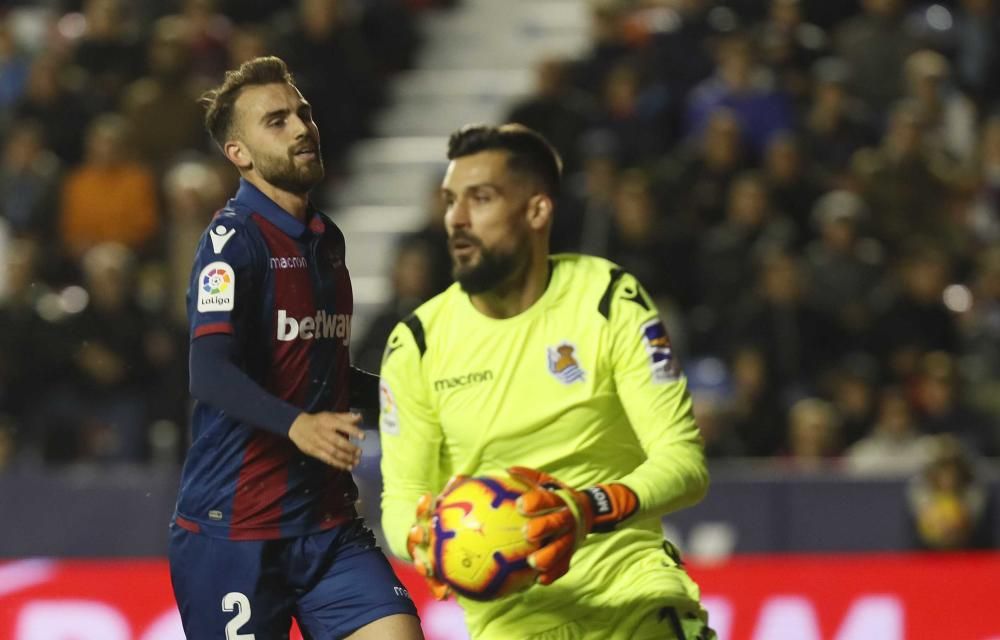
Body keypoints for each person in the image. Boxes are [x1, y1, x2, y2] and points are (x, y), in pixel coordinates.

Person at [379, 124, 714, 639]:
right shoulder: (419, 343)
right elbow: (401, 500)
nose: (456, 220)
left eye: (480, 199)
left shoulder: (607, 299)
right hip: (512, 625)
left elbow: (684, 464)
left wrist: (585, 509)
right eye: (450, 201)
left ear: (537, 211)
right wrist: (423, 539)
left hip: (634, 607)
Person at [168, 56, 422, 640]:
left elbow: (321, 371)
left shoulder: (324, 239)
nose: (303, 127)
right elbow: (208, 373)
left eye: (303, 113)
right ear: (240, 154)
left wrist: (411, 404)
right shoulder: (232, 244)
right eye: (276, 121)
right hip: (234, 532)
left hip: (328, 525)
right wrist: (299, 426)